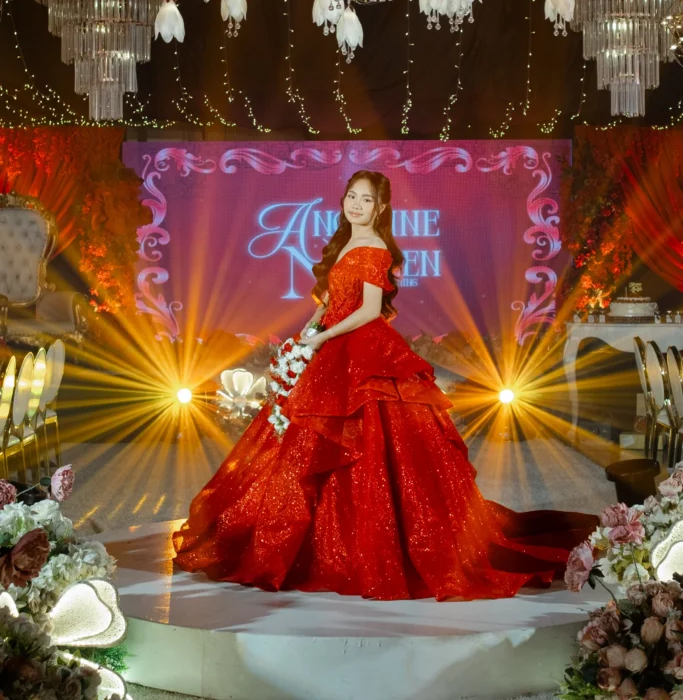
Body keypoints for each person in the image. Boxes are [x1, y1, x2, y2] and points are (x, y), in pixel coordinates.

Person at [173, 170, 595, 600]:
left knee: (370, 446)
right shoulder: (347, 244)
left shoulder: (374, 247)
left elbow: (370, 310)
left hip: (362, 349)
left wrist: (322, 337)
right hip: (331, 345)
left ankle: (367, 548)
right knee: (308, 445)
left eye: (366, 200)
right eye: (351, 197)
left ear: (380, 208)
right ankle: (317, 543)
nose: (355, 205)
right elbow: (331, 303)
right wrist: (306, 336)